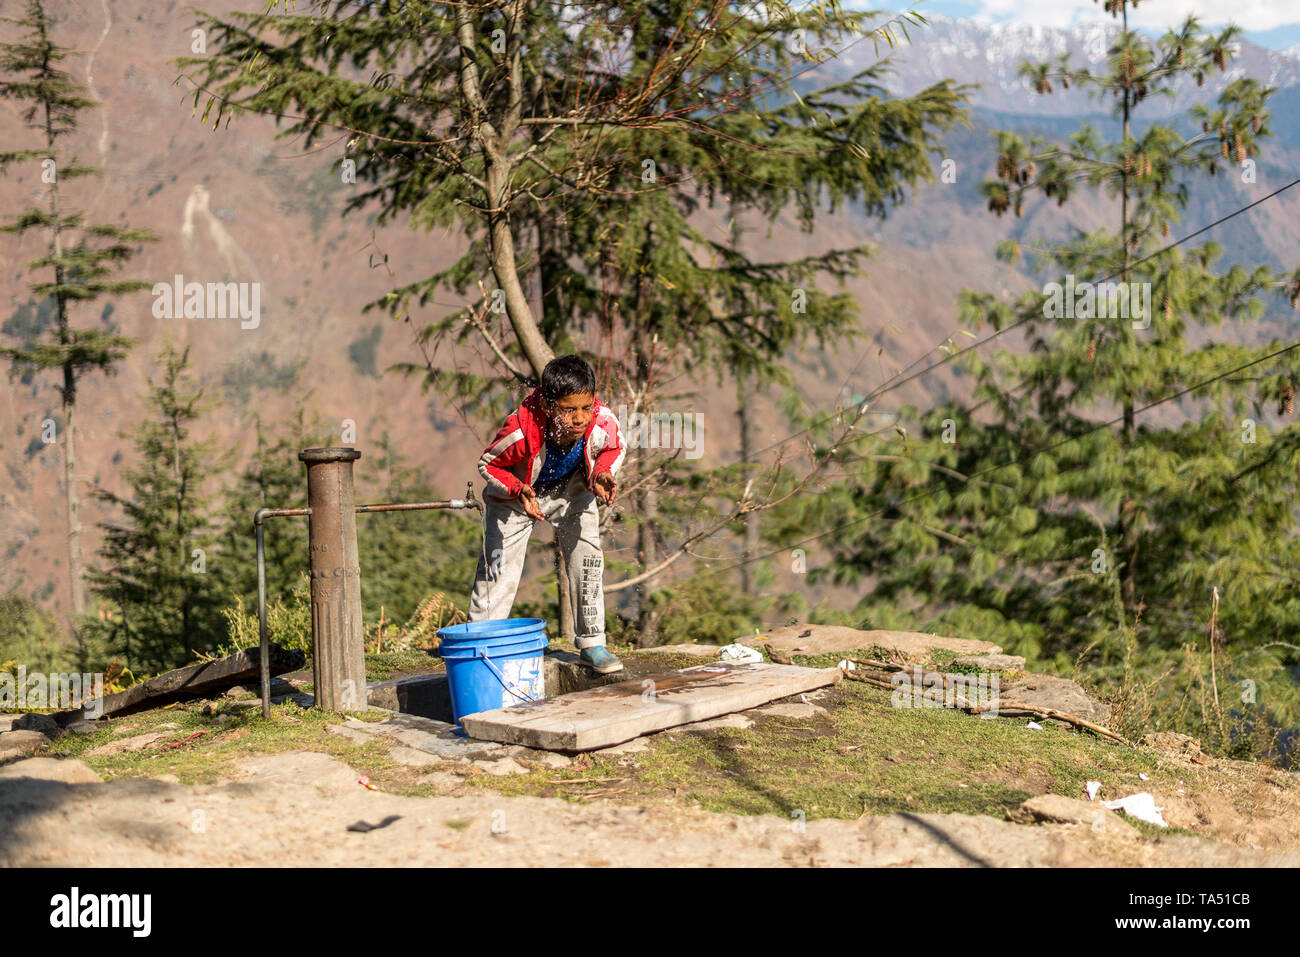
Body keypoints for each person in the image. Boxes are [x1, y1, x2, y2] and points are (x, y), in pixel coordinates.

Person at [468, 355, 626, 673]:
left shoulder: (602, 420)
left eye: (586, 407)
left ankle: (593, 643)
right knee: (500, 568)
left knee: (588, 559)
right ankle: (477, 648)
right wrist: (517, 489)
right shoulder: (520, 430)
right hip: (517, 496)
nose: (579, 418)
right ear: (548, 403)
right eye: (569, 410)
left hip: (572, 490)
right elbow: (489, 463)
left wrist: (604, 473)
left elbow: (613, 447)